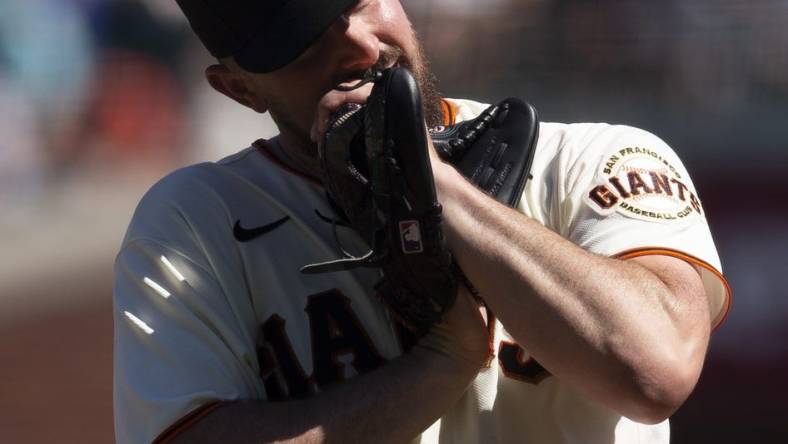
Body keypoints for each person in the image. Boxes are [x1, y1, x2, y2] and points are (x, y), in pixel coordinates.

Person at [112, 1, 731, 443]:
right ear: (240, 89)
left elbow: (656, 371)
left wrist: (437, 187)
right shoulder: (196, 222)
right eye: (303, 44)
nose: (356, 44)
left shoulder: (587, 158)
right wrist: (438, 364)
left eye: (357, 3)